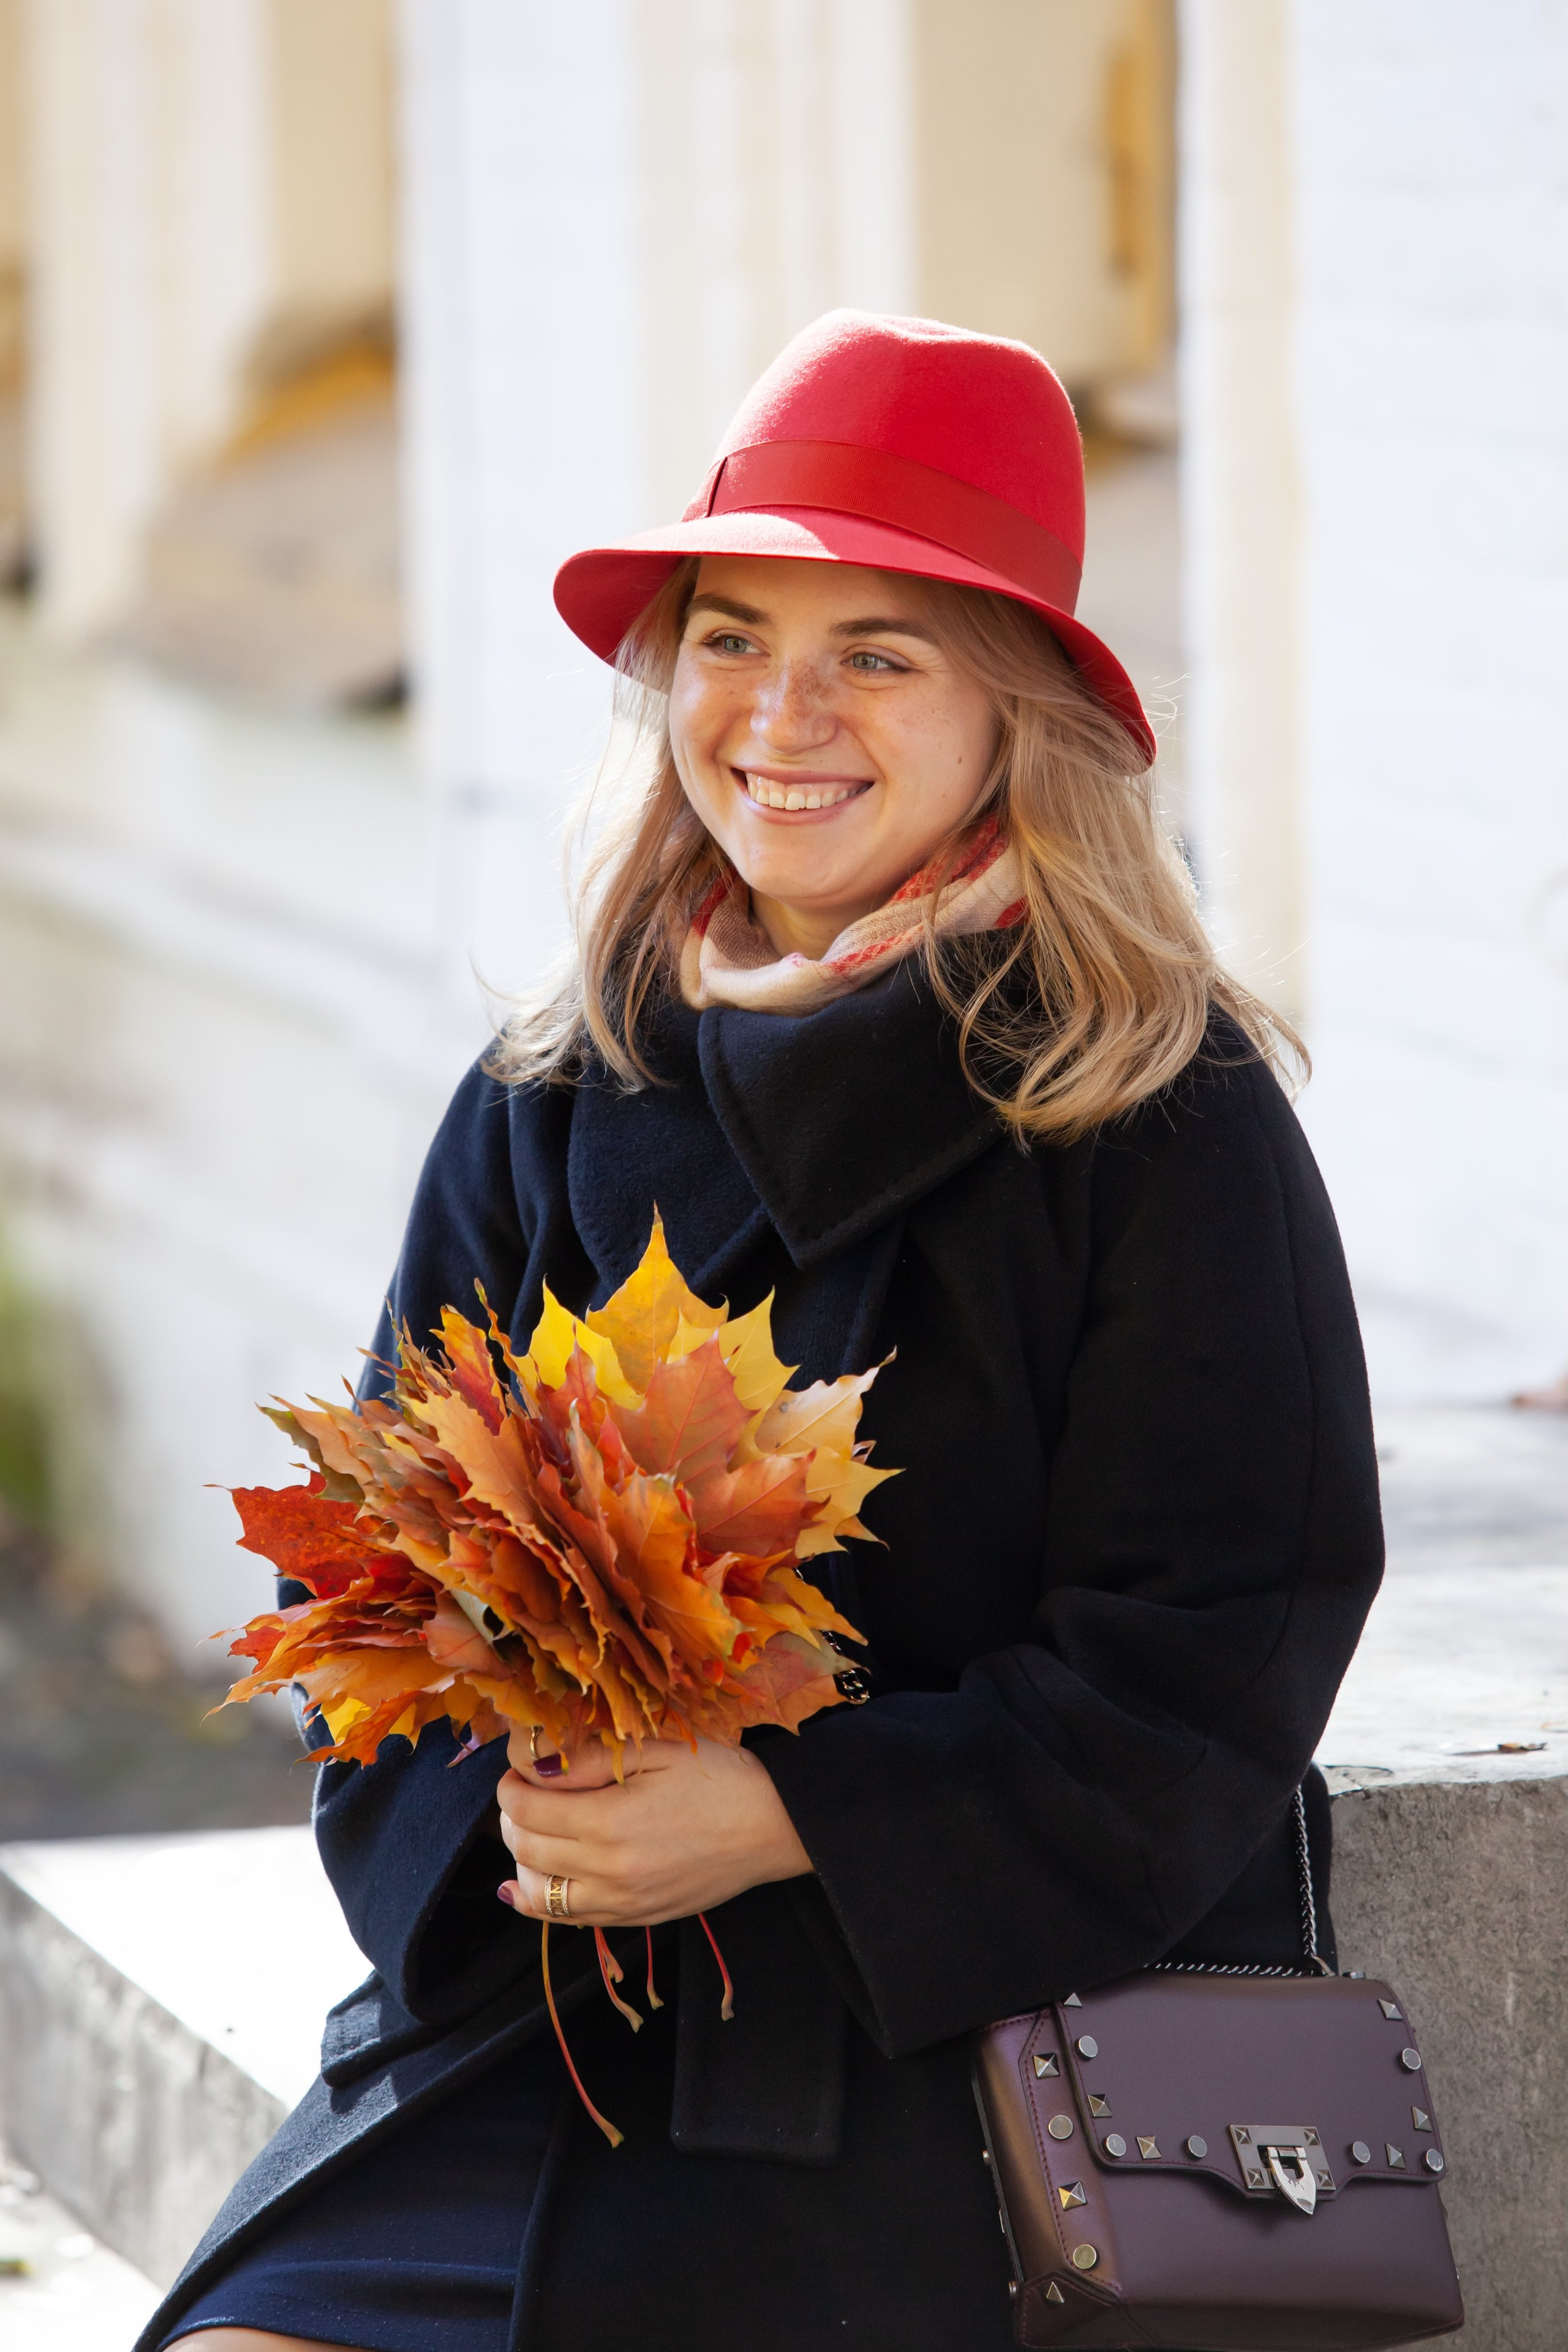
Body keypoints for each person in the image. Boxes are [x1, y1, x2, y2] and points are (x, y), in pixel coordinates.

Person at [144, 311, 1382, 2352]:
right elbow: (378, 1596)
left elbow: (1223, 1635)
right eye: (730, 636)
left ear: (1022, 714)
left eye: (876, 654)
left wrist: (797, 1814)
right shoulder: (558, 1085)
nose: (779, 715)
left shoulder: (1151, 1110)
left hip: (965, 2067)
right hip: (528, 2039)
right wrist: (529, 1818)